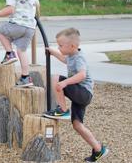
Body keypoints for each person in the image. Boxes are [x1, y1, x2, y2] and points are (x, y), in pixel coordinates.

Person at [44, 28, 109, 162]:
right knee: (77, 125)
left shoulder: (79, 58)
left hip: (83, 92)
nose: (59, 47)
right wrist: (52, 51)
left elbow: (82, 75)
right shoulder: (71, 55)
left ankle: (62, 110)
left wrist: (65, 83)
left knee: (56, 79)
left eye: (60, 45)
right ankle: (98, 149)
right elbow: (63, 58)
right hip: (82, 95)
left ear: (72, 46)